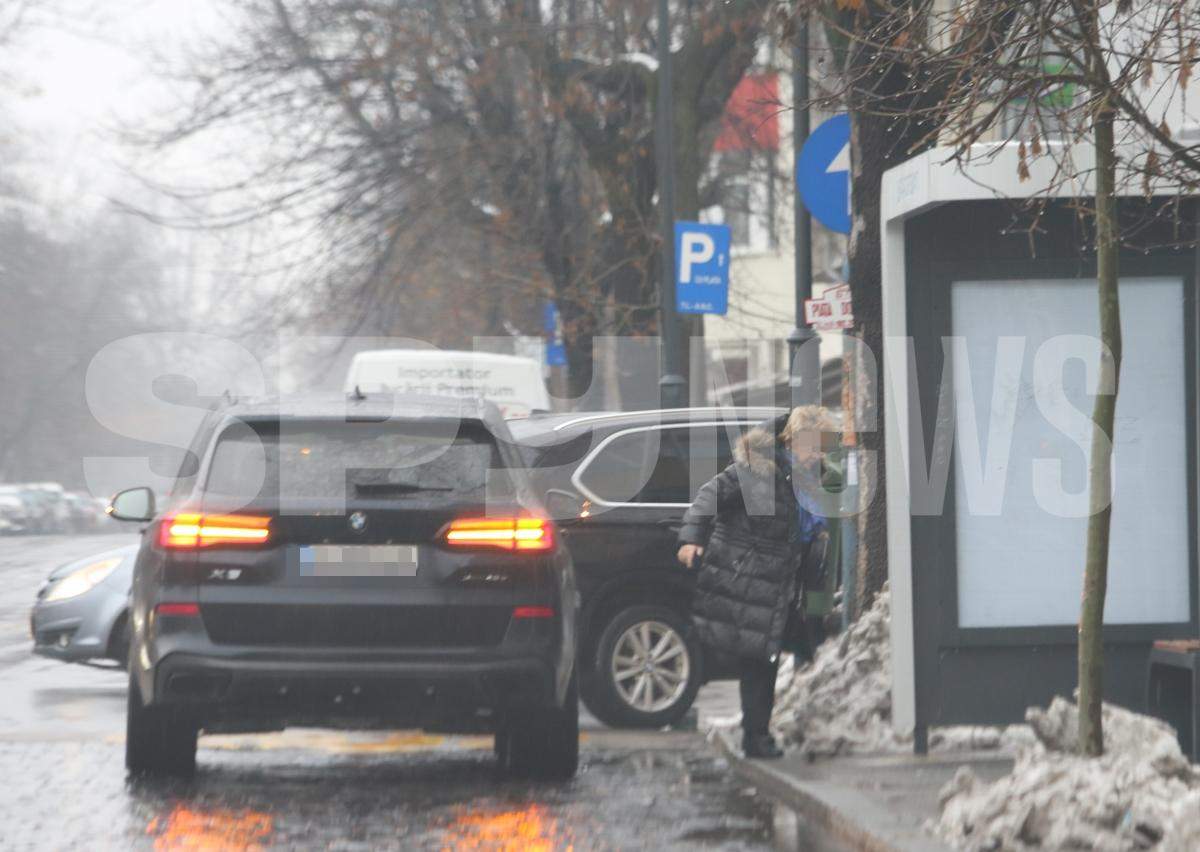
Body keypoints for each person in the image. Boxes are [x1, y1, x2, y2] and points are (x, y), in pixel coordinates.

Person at [676, 406, 836, 759]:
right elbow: (709, 496)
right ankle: (755, 737)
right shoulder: (759, 473)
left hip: (781, 587)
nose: (817, 453)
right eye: (812, 445)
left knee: (769, 657)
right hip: (752, 580)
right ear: (791, 441)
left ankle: (759, 733)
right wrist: (692, 538)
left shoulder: (809, 479)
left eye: (822, 446)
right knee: (759, 660)